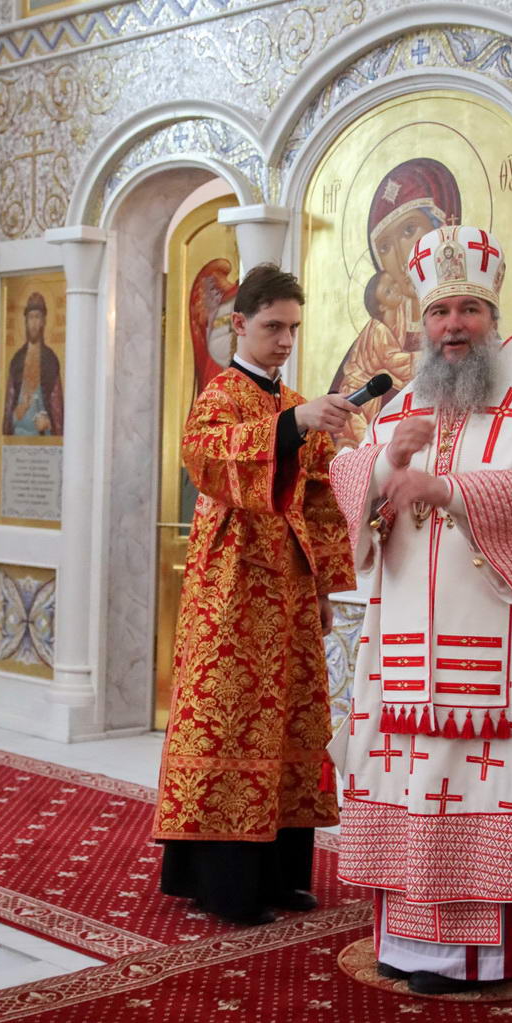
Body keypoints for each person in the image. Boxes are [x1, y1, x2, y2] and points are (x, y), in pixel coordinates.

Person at [329, 224, 512, 994]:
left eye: (468, 309)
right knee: (408, 784)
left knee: (477, 783)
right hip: (402, 648)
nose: (453, 325)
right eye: (440, 311)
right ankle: (407, 949)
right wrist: (386, 464)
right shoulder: (403, 403)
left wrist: (448, 489)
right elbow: (349, 482)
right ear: (423, 322)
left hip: (490, 646)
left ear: (492, 317)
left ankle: (485, 960)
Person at [153, 262, 357, 924]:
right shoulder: (221, 394)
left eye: (293, 328)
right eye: (273, 327)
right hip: (232, 590)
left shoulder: (293, 399)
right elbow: (206, 459)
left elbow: (320, 499)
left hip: (290, 593)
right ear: (239, 324)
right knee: (229, 725)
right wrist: (294, 425)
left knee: (290, 724)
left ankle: (278, 876)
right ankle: (223, 886)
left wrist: (325, 587)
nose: (285, 340)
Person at [330, 157, 462, 447]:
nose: (402, 257)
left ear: (441, 228)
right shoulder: (379, 331)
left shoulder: (466, 331)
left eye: (409, 230)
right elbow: (353, 388)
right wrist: (350, 446)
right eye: (386, 247)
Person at [2, 292, 64, 437]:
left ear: (43, 321)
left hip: (44, 440)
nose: (34, 323)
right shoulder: (17, 360)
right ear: (26, 321)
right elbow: (8, 412)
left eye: (38, 317)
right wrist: (18, 412)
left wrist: (48, 423)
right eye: (31, 317)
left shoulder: (50, 360)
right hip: (18, 440)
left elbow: (57, 411)